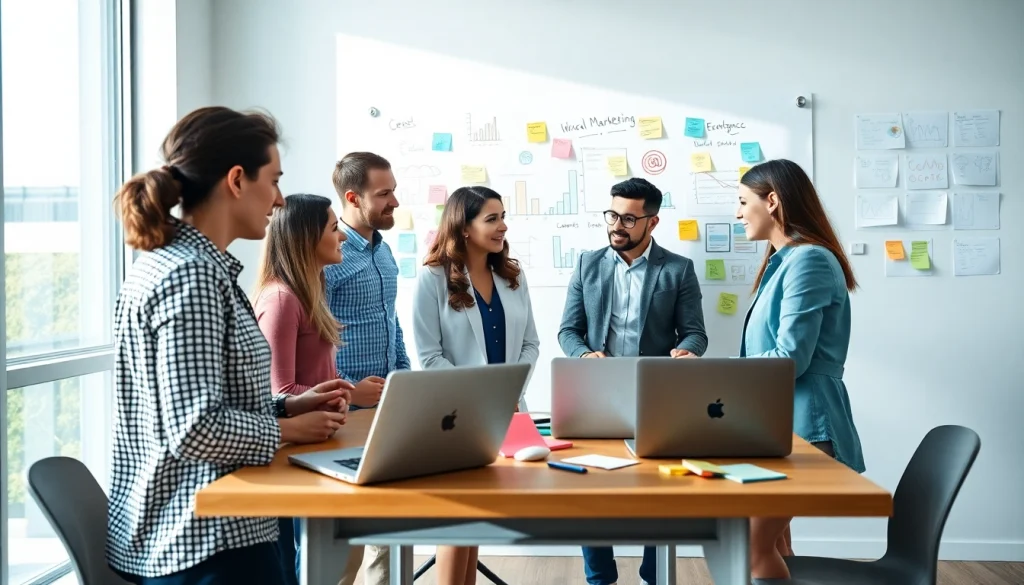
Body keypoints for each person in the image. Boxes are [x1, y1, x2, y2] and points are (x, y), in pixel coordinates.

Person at [107, 106, 352, 585]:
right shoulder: (191, 278)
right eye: (274, 181)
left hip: (210, 532)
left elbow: (206, 402)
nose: (278, 200)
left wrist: (287, 406)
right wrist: (288, 430)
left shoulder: (190, 267)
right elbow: (194, 428)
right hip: (205, 539)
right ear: (237, 180)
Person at [557, 177, 708, 585]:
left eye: (628, 218)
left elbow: (695, 333)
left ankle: (652, 575)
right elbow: (568, 330)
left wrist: (687, 352)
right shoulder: (587, 264)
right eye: (612, 215)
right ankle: (599, 578)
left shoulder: (677, 269)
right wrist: (584, 355)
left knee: (657, 489)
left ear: (652, 222)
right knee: (590, 485)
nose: (616, 226)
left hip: (654, 395)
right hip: (596, 392)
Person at [732, 158, 865, 580]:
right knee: (774, 544)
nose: (738, 213)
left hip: (805, 424)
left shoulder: (808, 260)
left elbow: (790, 357)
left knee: (751, 548)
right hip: (780, 425)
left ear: (771, 201)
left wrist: (717, 375)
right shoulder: (784, 262)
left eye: (743, 202)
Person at [412, 186, 540, 585]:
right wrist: (480, 398)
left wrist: (507, 389)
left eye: (503, 217)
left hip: (507, 412)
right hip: (455, 416)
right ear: (464, 228)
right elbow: (429, 356)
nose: (503, 226)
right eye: (492, 219)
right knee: (457, 519)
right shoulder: (432, 278)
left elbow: (531, 344)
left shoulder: (512, 276)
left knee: (475, 518)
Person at [252, 193, 365, 585]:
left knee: (340, 556)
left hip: (318, 446)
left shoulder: (308, 291)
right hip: (293, 454)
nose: (343, 236)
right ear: (306, 238)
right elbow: (280, 390)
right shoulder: (281, 300)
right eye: (334, 229)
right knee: (320, 562)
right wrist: (346, 394)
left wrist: (342, 394)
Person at [324, 151, 410, 584]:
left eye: (393, 191)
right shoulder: (329, 254)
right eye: (384, 194)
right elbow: (312, 337)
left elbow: (390, 320)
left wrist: (405, 376)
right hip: (345, 413)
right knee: (344, 547)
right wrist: (347, 389)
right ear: (353, 197)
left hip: (388, 409)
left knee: (390, 534)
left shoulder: (384, 250)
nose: (394, 201)